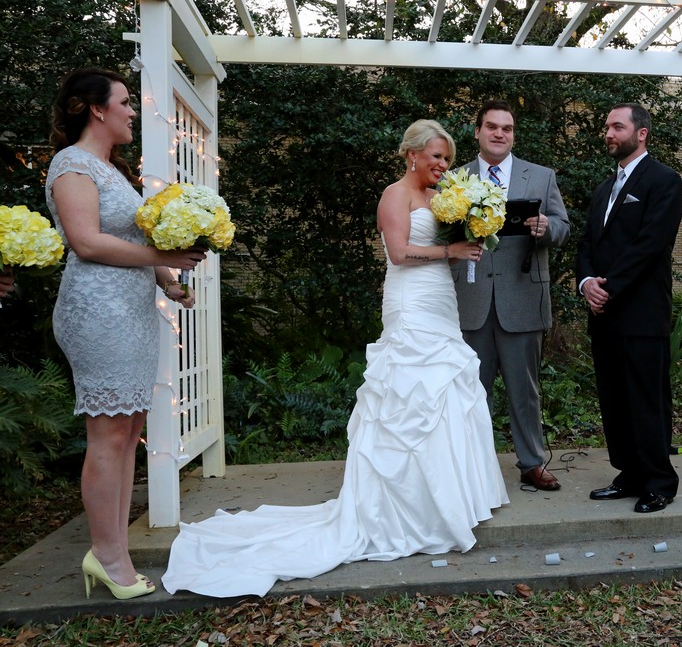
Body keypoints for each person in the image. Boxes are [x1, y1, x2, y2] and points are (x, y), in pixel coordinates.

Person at [162, 120, 509, 598]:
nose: (443, 165)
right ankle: (402, 506)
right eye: (436, 156)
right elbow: (399, 253)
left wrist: (466, 242)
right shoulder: (394, 195)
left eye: (447, 158)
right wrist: (450, 247)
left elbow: (438, 252)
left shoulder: (444, 198)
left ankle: (448, 498)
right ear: (411, 154)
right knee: (409, 396)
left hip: (440, 301)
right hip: (410, 303)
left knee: (446, 389)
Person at [45, 67, 205, 600]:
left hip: (132, 312)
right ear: (97, 109)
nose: (133, 111)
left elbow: (131, 244)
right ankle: (106, 553)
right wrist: (162, 253)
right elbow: (87, 242)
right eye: (125, 102)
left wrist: (168, 280)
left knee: (128, 431)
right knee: (108, 435)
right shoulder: (71, 165)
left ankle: (114, 548)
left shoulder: (112, 170)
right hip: (97, 312)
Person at [453, 100, 570, 492]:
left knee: (525, 391)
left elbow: (564, 227)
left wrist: (546, 228)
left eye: (507, 128)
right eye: (492, 126)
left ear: (514, 135)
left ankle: (532, 463)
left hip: (522, 299)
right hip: (471, 299)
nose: (499, 134)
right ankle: (473, 467)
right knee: (471, 392)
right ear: (477, 132)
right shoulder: (455, 179)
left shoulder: (541, 177)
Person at [576, 103, 682, 514]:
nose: (608, 133)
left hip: (641, 312)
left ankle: (659, 482)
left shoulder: (664, 180)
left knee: (646, 399)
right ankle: (630, 473)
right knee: (615, 400)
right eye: (607, 127)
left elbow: (651, 244)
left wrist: (609, 288)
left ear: (641, 133)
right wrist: (587, 282)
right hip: (603, 313)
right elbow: (588, 243)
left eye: (617, 127)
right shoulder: (604, 188)